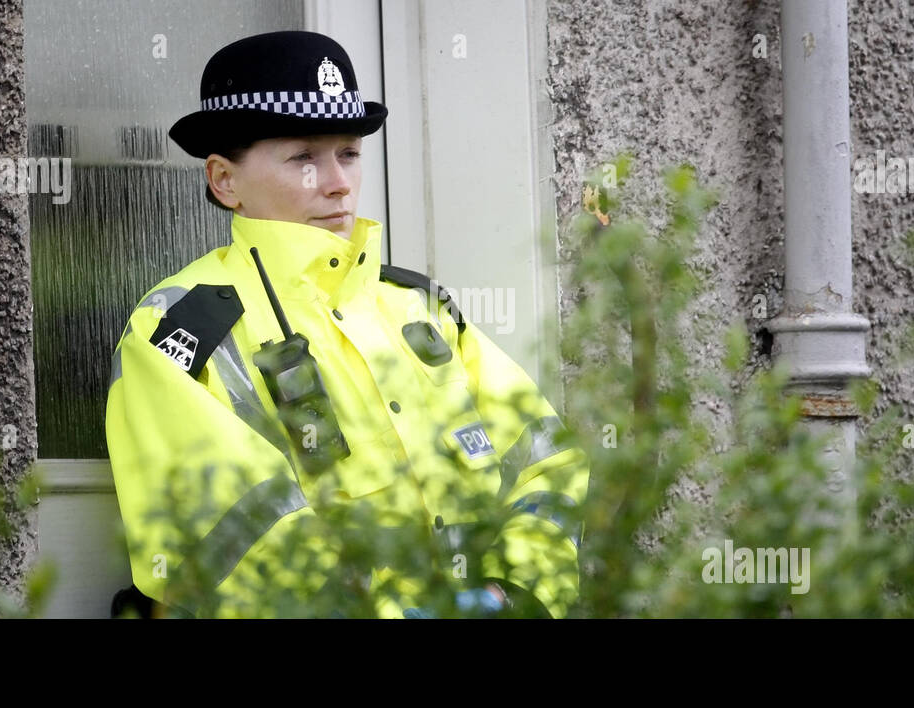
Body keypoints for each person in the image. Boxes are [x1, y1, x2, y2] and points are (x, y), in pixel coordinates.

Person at [105, 30, 588, 619]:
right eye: (303, 157)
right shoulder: (178, 327)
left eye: (349, 153)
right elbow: (229, 536)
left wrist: (517, 595)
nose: (336, 182)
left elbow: (546, 456)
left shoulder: (419, 307)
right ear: (223, 180)